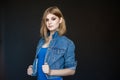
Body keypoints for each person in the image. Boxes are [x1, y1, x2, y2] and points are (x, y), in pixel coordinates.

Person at [27, 6, 77, 80]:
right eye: (47, 20)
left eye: (53, 19)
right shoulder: (41, 41)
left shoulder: (67, 43)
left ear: (60, 20)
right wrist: (32, 69)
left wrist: (51, 72)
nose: (49, 22)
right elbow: (41, 62)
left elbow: (72, 70)